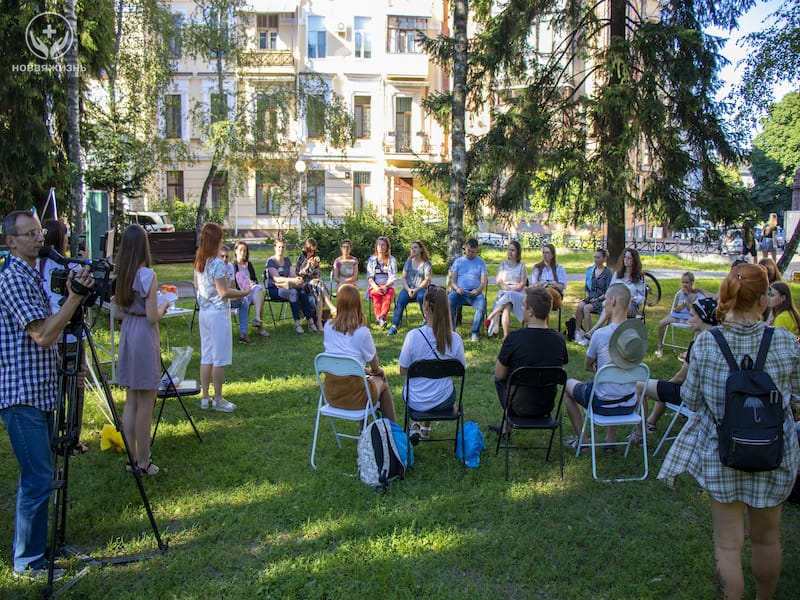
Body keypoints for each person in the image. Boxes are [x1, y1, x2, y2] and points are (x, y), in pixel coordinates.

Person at [658, 263, 800, 600]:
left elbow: (690, 398)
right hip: (774, 452)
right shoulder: (783, 341)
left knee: (727, 545)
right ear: (764, 300)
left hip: (723, 454)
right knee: (768, 538)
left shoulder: (707, 344)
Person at [0, 210, 94, 578]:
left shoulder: (30, 275)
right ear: (11, 242)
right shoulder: (13, 280)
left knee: (42, 475)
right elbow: (42, 334)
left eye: (40, 232)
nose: (40, 239)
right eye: (30, 234)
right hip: (21, 395)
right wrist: (74, 298)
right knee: (37, 478)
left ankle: (39, 547)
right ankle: (28, 561)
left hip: (41, 392)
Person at [113, 225, 169, 475]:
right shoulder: (147, 275)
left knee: (131, 400)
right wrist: (164, 305)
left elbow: (116, 312)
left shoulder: (121, 274)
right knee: (146, 402)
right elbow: (151, 316)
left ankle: (131, 457)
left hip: (127, 332)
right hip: (144, 336)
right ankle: (144, 461)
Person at [564, 284, 641, 451]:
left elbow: (587, 366)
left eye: (606, 299)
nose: (604, 303)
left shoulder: (601, 334)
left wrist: (604, 372)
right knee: (618, 385)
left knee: (568, 385)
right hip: (629, 404)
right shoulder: (637, 335)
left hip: (603, 404)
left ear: (612, 301)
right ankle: (610, 441)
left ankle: (584, 441)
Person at [491, 287, 569, 435]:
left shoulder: (514, 339)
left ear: (531, 311)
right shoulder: (559, 340)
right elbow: (560, 370)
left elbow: (500, 375)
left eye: (523, 305)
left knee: (499, 379)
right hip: (546, 405)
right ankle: (505, 427)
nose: (521, 308)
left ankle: (506, 427)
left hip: (517, 406)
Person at [40, 220, 88, 455]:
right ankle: (72, 438)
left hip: (50, 335)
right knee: (76, 386)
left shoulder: (37, 267)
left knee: (56, 388)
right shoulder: (63, 267)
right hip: (67, 336)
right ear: (60, 238)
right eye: (66, 235)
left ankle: (56, 434)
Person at [639, 297, 718, 433]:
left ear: (703, 318)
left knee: (639, 386)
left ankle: (641, 433)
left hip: (693, 397)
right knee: (666, 386)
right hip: (714, 398)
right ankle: (651, 422)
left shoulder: (698, 344)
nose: (689, 319)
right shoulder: (721, 341)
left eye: (692, 316)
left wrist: (666, 385)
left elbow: (680, 378)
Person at [398, 285, 466, 444]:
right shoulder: (455, 339)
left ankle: (415, 424)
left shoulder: (413, 336)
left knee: (413, 387)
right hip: (444, 400)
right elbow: (460, 371)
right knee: (438, 384)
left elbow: (402, 370)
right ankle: (425, 427)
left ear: (426, 306)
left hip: (416, 400)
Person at [194, 223, 249, 412]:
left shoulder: (200, 261)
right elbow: (223, 292)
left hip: (204, 312)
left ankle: (205, 398)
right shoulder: (217, 263)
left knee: (206, 355)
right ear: (216, 241)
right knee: (219, 358)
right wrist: (244, 293)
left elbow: (197, 287)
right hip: (217, 314)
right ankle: (218, 399)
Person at [321, 284, 396, 422]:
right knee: (381, 383)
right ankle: (392, 432)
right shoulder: (362, 333)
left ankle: (365, 433)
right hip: (356, 398)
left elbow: (340, 358)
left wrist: (363, 370)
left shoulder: (328, 327)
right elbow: (374, 362)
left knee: (363, 383)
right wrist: (376, 371)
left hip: (332, 396)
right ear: (358, 305)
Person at [580, 247, 646, 343]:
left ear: (634, 261)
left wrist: (631, 298)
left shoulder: (639, 277)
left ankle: (594, 331)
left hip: (630, 306)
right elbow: (610, 291)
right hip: (614, 303)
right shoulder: (618, 274)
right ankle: (605, 336)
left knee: (612, 306)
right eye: (625, 258)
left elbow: (642, 298)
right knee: (612, 305)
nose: (626, 260)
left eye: (629, 258)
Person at [265, 237, 315, 334]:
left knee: (302, 291)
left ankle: (311, 321)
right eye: (279, 247)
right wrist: (293, 280)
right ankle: (297, 323)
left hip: (288, 286)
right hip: (275, 289)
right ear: (275, 247)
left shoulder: (287, 260)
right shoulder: (271, 261)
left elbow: (293, 274)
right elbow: (277, 278)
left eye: (283, 247)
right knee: (293, 292)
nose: (281, 249)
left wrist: (297, 279)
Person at [655, 272, 706, 357]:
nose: (684, 284)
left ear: (692, 283)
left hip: (688, 317)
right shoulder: (679, 294)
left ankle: (693, 349)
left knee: (699, 327)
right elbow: (674, 308)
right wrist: (677, 308)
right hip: (677, 315)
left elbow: (691, 309)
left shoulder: (694, 296)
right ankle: (660, 346)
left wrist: (686, 297)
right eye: (683, 282)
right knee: (661, 323)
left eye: (687, 282)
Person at [484, 240, 527, 340]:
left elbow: (522, 283)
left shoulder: (522, 266)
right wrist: (507, 289)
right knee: (507, 305)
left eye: (513, 250)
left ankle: (491, 315)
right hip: (504, 291)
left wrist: (512, 290)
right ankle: (506, 335)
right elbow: (498, 281)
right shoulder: (503, 264)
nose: (510, 252)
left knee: (510, 295)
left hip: (518, 293)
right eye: (509, 250)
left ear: (518, 252)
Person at [388, 240, 432, 336]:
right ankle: (394, 326)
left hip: (421, 289)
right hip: (408, 289)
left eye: (415, 247)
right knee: (401, 300)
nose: (413, 250)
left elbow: (426, 279)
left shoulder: (427, 263)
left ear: (421, 249)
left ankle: (426, 319)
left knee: (421, 297)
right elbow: (403, 277)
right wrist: (408, 289)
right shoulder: (408, 262)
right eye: (412, 248)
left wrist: (416, 290)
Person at [448, 238, 488, 342]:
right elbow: (452, 281)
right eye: (469, 251)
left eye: (473, 252)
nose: (470, 254)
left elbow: (483, 282)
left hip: (475, 293)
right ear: (465, 248)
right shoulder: (458, 262)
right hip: (460, 292)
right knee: (449, 300)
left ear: (476, 251)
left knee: (482, 305)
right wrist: (457, 288)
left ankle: (475, 332)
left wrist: (478, 290)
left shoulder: (481, 263)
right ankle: (452, 331)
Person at [296, 237, 337, 332]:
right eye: (310, 250)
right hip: (304, 284)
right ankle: (331, 307)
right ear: (306, 249)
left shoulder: (315, 259)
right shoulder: (301, 258)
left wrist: (315, 266)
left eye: (314, 251)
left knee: (318, 288)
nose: (312, 253)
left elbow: (318, 275)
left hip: (315, 286)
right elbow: (297, 275)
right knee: (318, 283)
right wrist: (307, 266)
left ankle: (319, 322)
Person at [231, 241, 269, 342]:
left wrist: (252, 283)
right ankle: (259, 325)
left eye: (245, 250)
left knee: (258, 289)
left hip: (251, 291)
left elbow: (255, 280)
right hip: (240, 293)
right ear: (235, 251)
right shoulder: (233, 266)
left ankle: (257, 319)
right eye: (241, 250)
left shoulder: (249, 264)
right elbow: (233, 284)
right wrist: (244, 290)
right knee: (259, 296)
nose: (243, 253)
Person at [574, 248, 612, 341]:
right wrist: (587, 295)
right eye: (595, 257)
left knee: (586, 308)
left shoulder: (607, 273)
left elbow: (608, 291)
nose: (596, 259)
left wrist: (597, 299)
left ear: (604, 259)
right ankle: (577, 331)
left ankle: (589, 334)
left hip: (601, 300)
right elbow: (586, 287)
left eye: (598, 257)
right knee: (580, 306)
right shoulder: (590, 270)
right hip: (590, 297)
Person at [366, 236, 398, 329]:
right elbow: (370, 277)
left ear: (387, 247)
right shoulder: (372, 260)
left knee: (388, 296)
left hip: (388, 285)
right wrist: (376, 287)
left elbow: (393, 277)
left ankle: (381, 317)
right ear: (376, 246)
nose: (381, 247)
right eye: (379, 245)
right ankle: (380, 319)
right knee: (376, 296)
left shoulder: (392, 260)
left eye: (383, 245)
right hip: (375, 285)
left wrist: (386, 286)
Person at [529, 242, 567, 311]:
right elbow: (534, 286)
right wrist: (544, 283)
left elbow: (562, 287)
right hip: (540, 296)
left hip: (556, 298)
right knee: (540, 298)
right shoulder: (537, 268)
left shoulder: (559, 268)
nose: (544, 255)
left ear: (552, 255)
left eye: (547, 253)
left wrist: (552, 284)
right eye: (543, 252)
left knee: (548, 291)